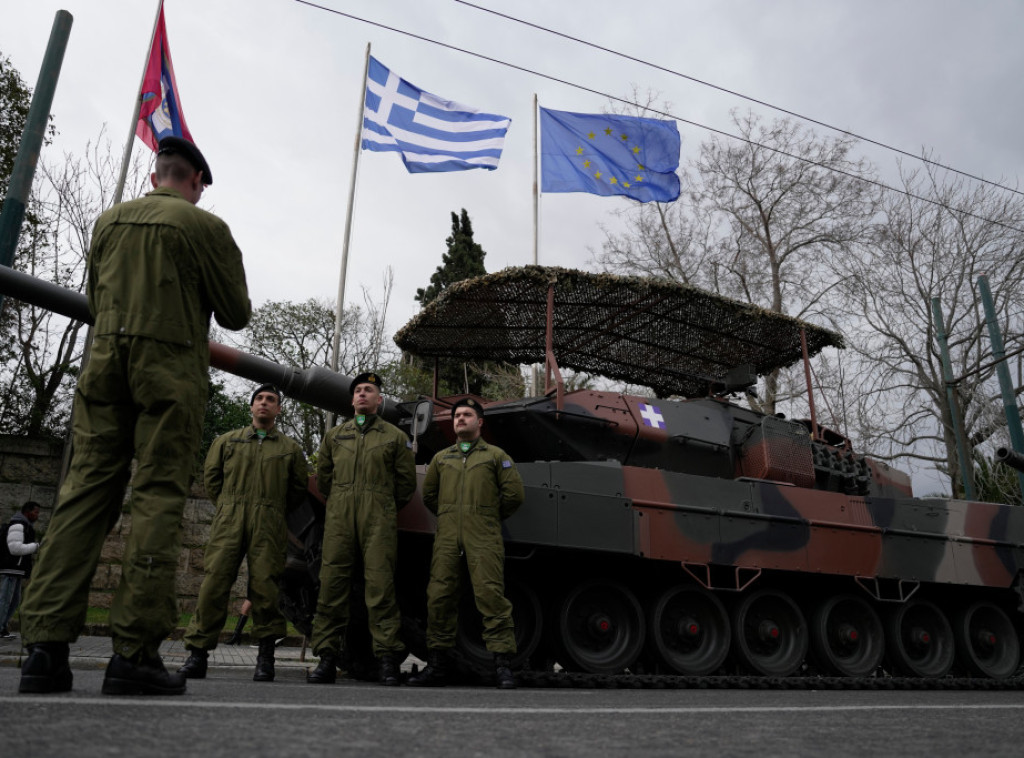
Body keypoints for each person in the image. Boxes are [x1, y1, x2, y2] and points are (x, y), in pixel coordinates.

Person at [17, 137, 251, 696]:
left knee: (82, 495)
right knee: (158, 495)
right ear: (196, 182)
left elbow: (97, 300)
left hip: (102, 367)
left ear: (154, 175)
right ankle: (134, 655)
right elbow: (237, 313)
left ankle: (43, 652)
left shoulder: (107, 222)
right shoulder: (204, 227)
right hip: (167, 372)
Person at [179, 384, 308, 682]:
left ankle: (265, 658)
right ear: (251, 407)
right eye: (259, 399)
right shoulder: (226, 442)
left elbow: (297, 490)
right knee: (214, 584)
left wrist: (272, 510)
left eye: (271, 400)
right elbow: (212, 479)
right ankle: (197, 654)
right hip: (229, 520)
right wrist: (228, 507)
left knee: (266, 589)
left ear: (278, 410)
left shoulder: (289, 449)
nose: (264, 403)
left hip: (270, 521)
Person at [307, 372, 416, 686]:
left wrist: (380, 504)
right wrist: (342, 500)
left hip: (378, 517)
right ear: (352, 399)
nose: (363, 394)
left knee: (380, 589)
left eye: (369, 390)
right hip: (340, 516)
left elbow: (405, 484)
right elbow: (324, 479)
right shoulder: (334, 436)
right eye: (358, 391)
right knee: (331, 588)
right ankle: (327, 659)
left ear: (379, 399)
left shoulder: (395, 438)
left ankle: (386, 660)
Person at [408, 398, 524, 689]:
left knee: (490, 596)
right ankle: (437, 665)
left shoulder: (497, 456)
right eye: (458, 415)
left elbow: (514, 495)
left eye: (467, 415)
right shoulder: (441, 458)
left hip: (483, 535)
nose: (460, 419)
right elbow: (430, 496)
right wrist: (452, 516)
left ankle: (503, 665)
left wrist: (485, 516)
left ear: (479, 422)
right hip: (447, 536)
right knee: (439, 597)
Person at [0, 502, 41, 637]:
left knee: (14, 601)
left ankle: (3, 627)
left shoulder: (26, 527)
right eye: (35, 512)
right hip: (10, 570)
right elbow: (15, 548)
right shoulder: (18, 525)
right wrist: (36, 547)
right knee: (5, 600)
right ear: (27, 512)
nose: (37, 515)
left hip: (16, 570)